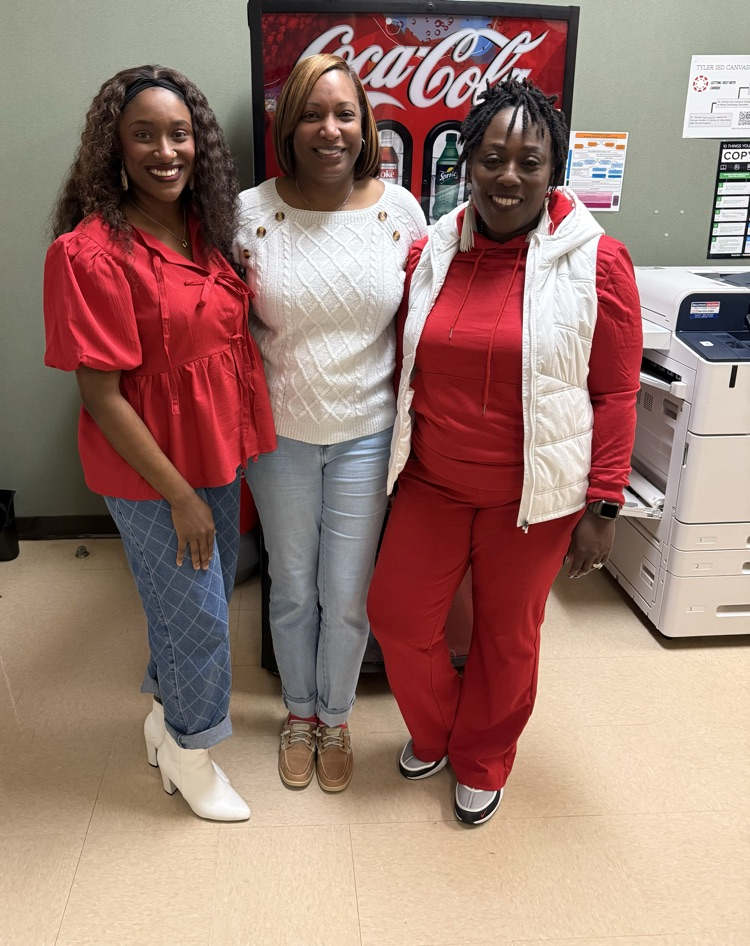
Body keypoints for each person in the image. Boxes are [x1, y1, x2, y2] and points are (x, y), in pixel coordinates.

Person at [367, 78, 643, 825]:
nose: (509, 176)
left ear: (554, 168)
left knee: (506, 635)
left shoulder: (597, 263)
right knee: (395, 616)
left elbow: (617, 394)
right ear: (468, 163)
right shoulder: (432, 250)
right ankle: (439, 729)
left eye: (530, 159)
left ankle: (484, 756)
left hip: (536, 495)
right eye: (492, 157)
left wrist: (605, 504)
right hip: (432, 481)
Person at [43, 65, 276, 821]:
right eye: (143, 134)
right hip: (150, 471)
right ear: (114, 145)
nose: (165, 150)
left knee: (180, 603)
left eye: (179, 133)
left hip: (214, 449)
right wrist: (179, 496)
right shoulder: (91, 253)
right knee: (204, 614)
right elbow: (101, 395)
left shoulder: (206, 230)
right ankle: (190, 750)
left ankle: (161, 721)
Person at [234, 54, 427, 793]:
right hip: (279, 436)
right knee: (290, 587)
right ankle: (298, 713)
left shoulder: (400, 212)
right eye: (313, 113)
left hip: (367, 433)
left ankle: (337, 716)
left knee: (347, 595)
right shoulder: (251, 215)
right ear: (289, 126)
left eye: (345, 113)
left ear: (365, 125)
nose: (330, 129)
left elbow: (422, 321)